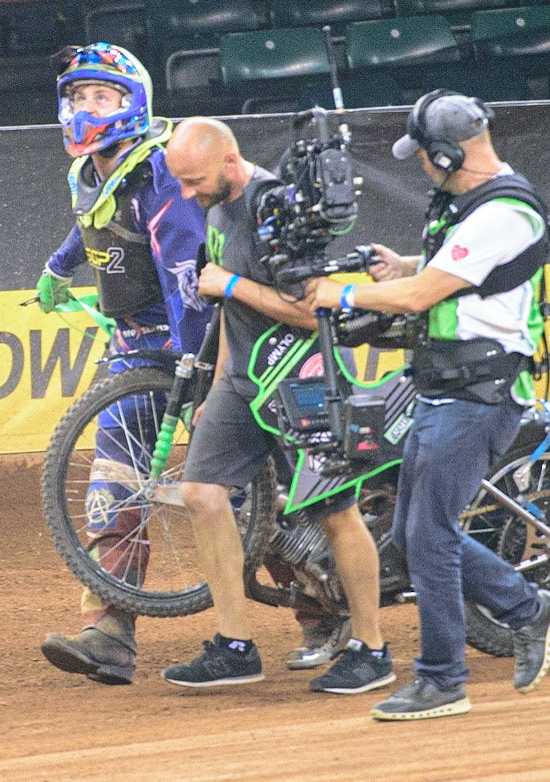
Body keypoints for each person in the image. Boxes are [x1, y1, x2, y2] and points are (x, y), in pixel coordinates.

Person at [309, 89, 550, 720]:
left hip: (479, 395)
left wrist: (341, 295)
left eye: (425, 155)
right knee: (412, 534)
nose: (421, 165)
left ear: (449, 154)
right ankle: (528, 610)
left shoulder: (504, 213)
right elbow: (450, 273)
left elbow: (422, 296)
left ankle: (443, 679)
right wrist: (402, 264)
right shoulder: (474, 205)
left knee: (429, 537)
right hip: (447, 386)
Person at [158, 116, 394, 695]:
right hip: (244, 381)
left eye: (194, 181)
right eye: (180, 182)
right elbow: (230, 312)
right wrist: (218, 385)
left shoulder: (275, 210)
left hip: (304, 377)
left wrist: (230, 285)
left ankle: (373, 649)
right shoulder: (216, 204)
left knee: (335, 512)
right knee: (201, 493)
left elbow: (314, 312)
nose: (186, 194)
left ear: (229, 161)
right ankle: (234, 645)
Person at [35, 43, 212, 685]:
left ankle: (320, 608)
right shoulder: (94, 171)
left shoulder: (159, 173)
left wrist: (197, 367)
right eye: (77, 97)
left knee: (242, 482)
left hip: (198, 341)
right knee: (113, 481)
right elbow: (95, 221)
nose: (86, 109)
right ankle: (108, 631)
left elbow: (186, 277)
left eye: (100, 97)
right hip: (134, 347)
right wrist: (60, 266)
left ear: (132, 104)